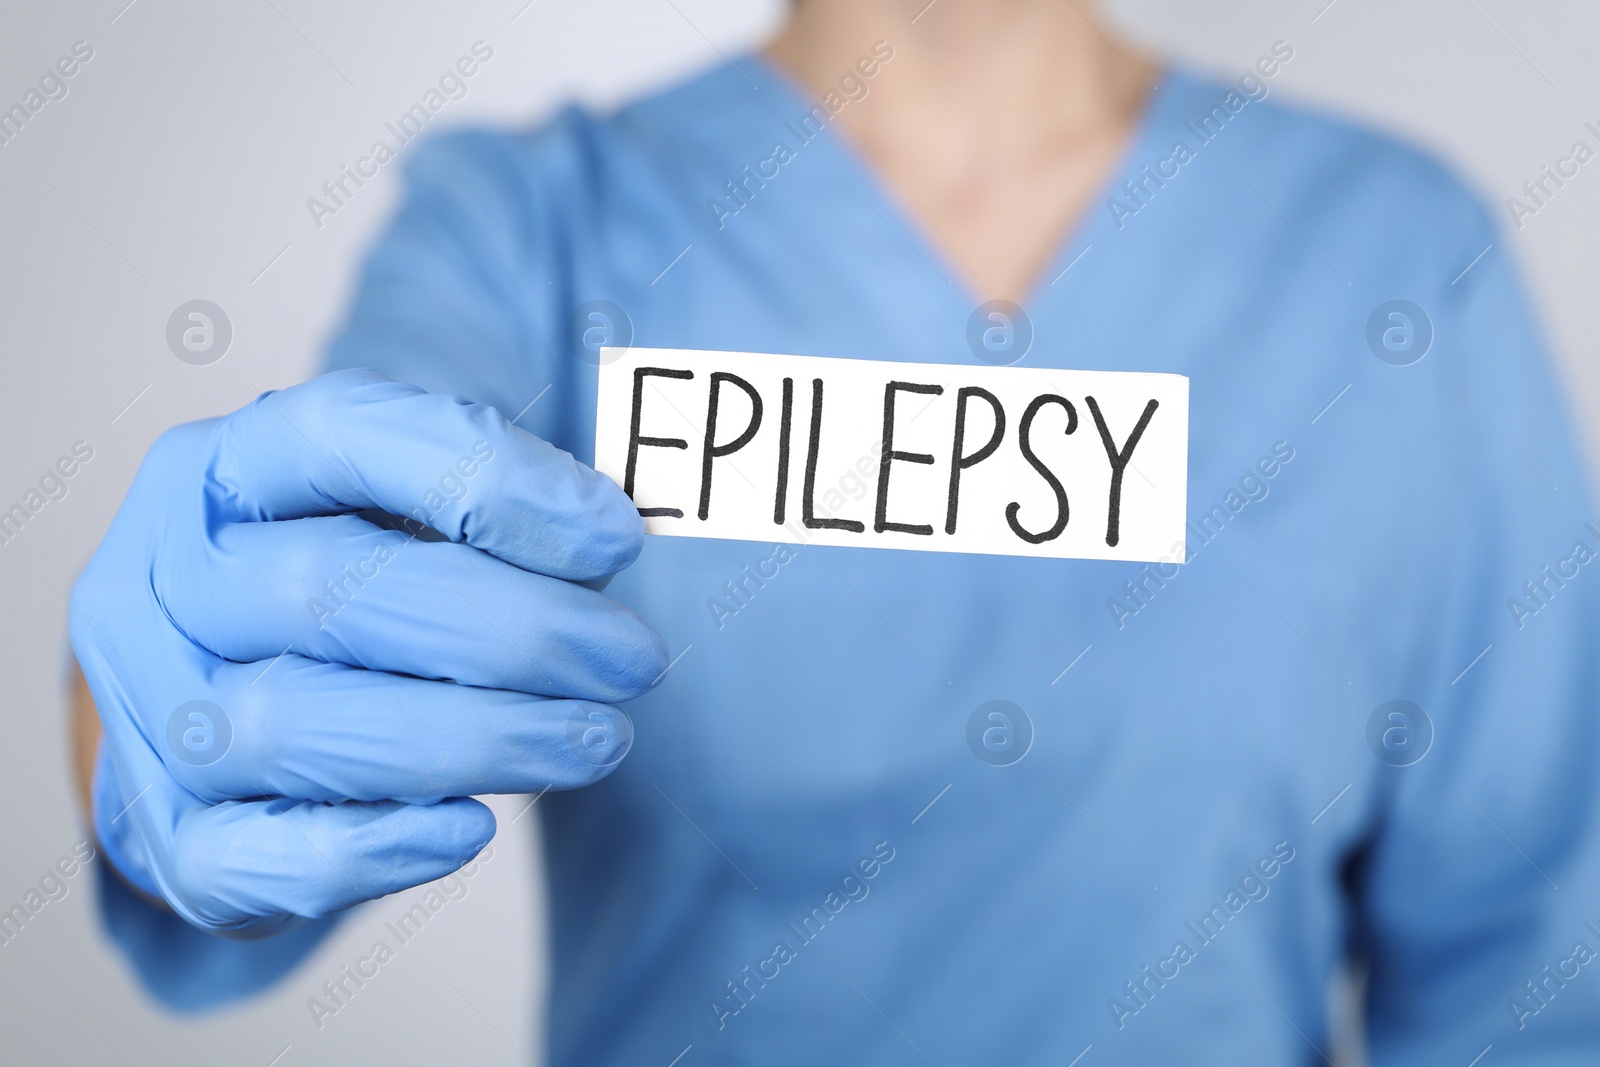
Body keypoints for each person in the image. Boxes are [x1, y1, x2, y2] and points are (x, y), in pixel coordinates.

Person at [69, 0, 1600, 1062]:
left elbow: (1527, 976)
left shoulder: (1400, 265)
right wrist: (173, 707)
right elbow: (319, 579)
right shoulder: (531, 231)